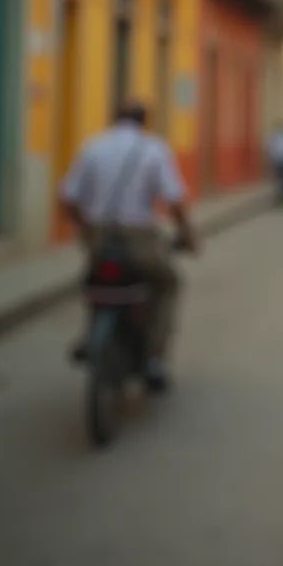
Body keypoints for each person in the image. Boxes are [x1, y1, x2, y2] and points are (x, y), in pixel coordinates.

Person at [61, 99, 197, 391]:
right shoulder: (153, 149)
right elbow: (173, 199)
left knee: (94, 282)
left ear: (114, 119)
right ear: (143, 121)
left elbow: (68, 198)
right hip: (138, 238)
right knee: (168, 284)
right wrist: (188, 235)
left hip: (99, 237)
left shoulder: (92, 147)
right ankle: (155, 359)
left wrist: (85, 228)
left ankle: (90, 336)